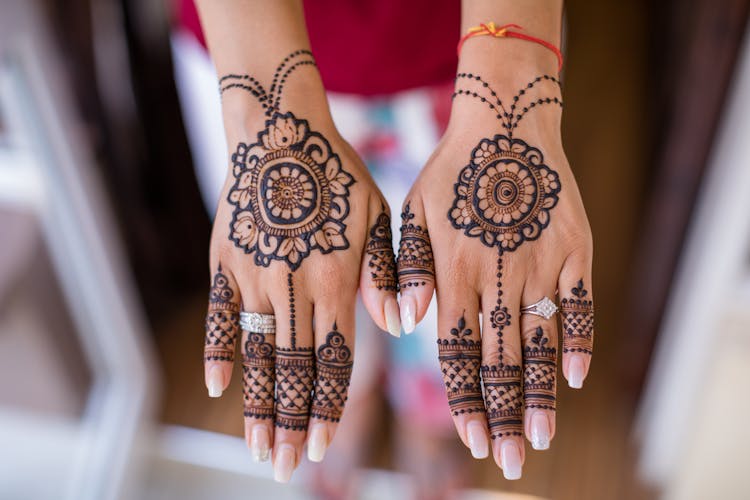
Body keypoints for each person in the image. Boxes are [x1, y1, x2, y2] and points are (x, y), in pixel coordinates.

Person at [191, 0, 594, 489]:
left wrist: (508, 77)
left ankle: (429, 419)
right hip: (247, 40)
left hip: (475, 47)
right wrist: (264, 109)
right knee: (305, 293)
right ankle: (346, 406)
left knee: (464, 294)